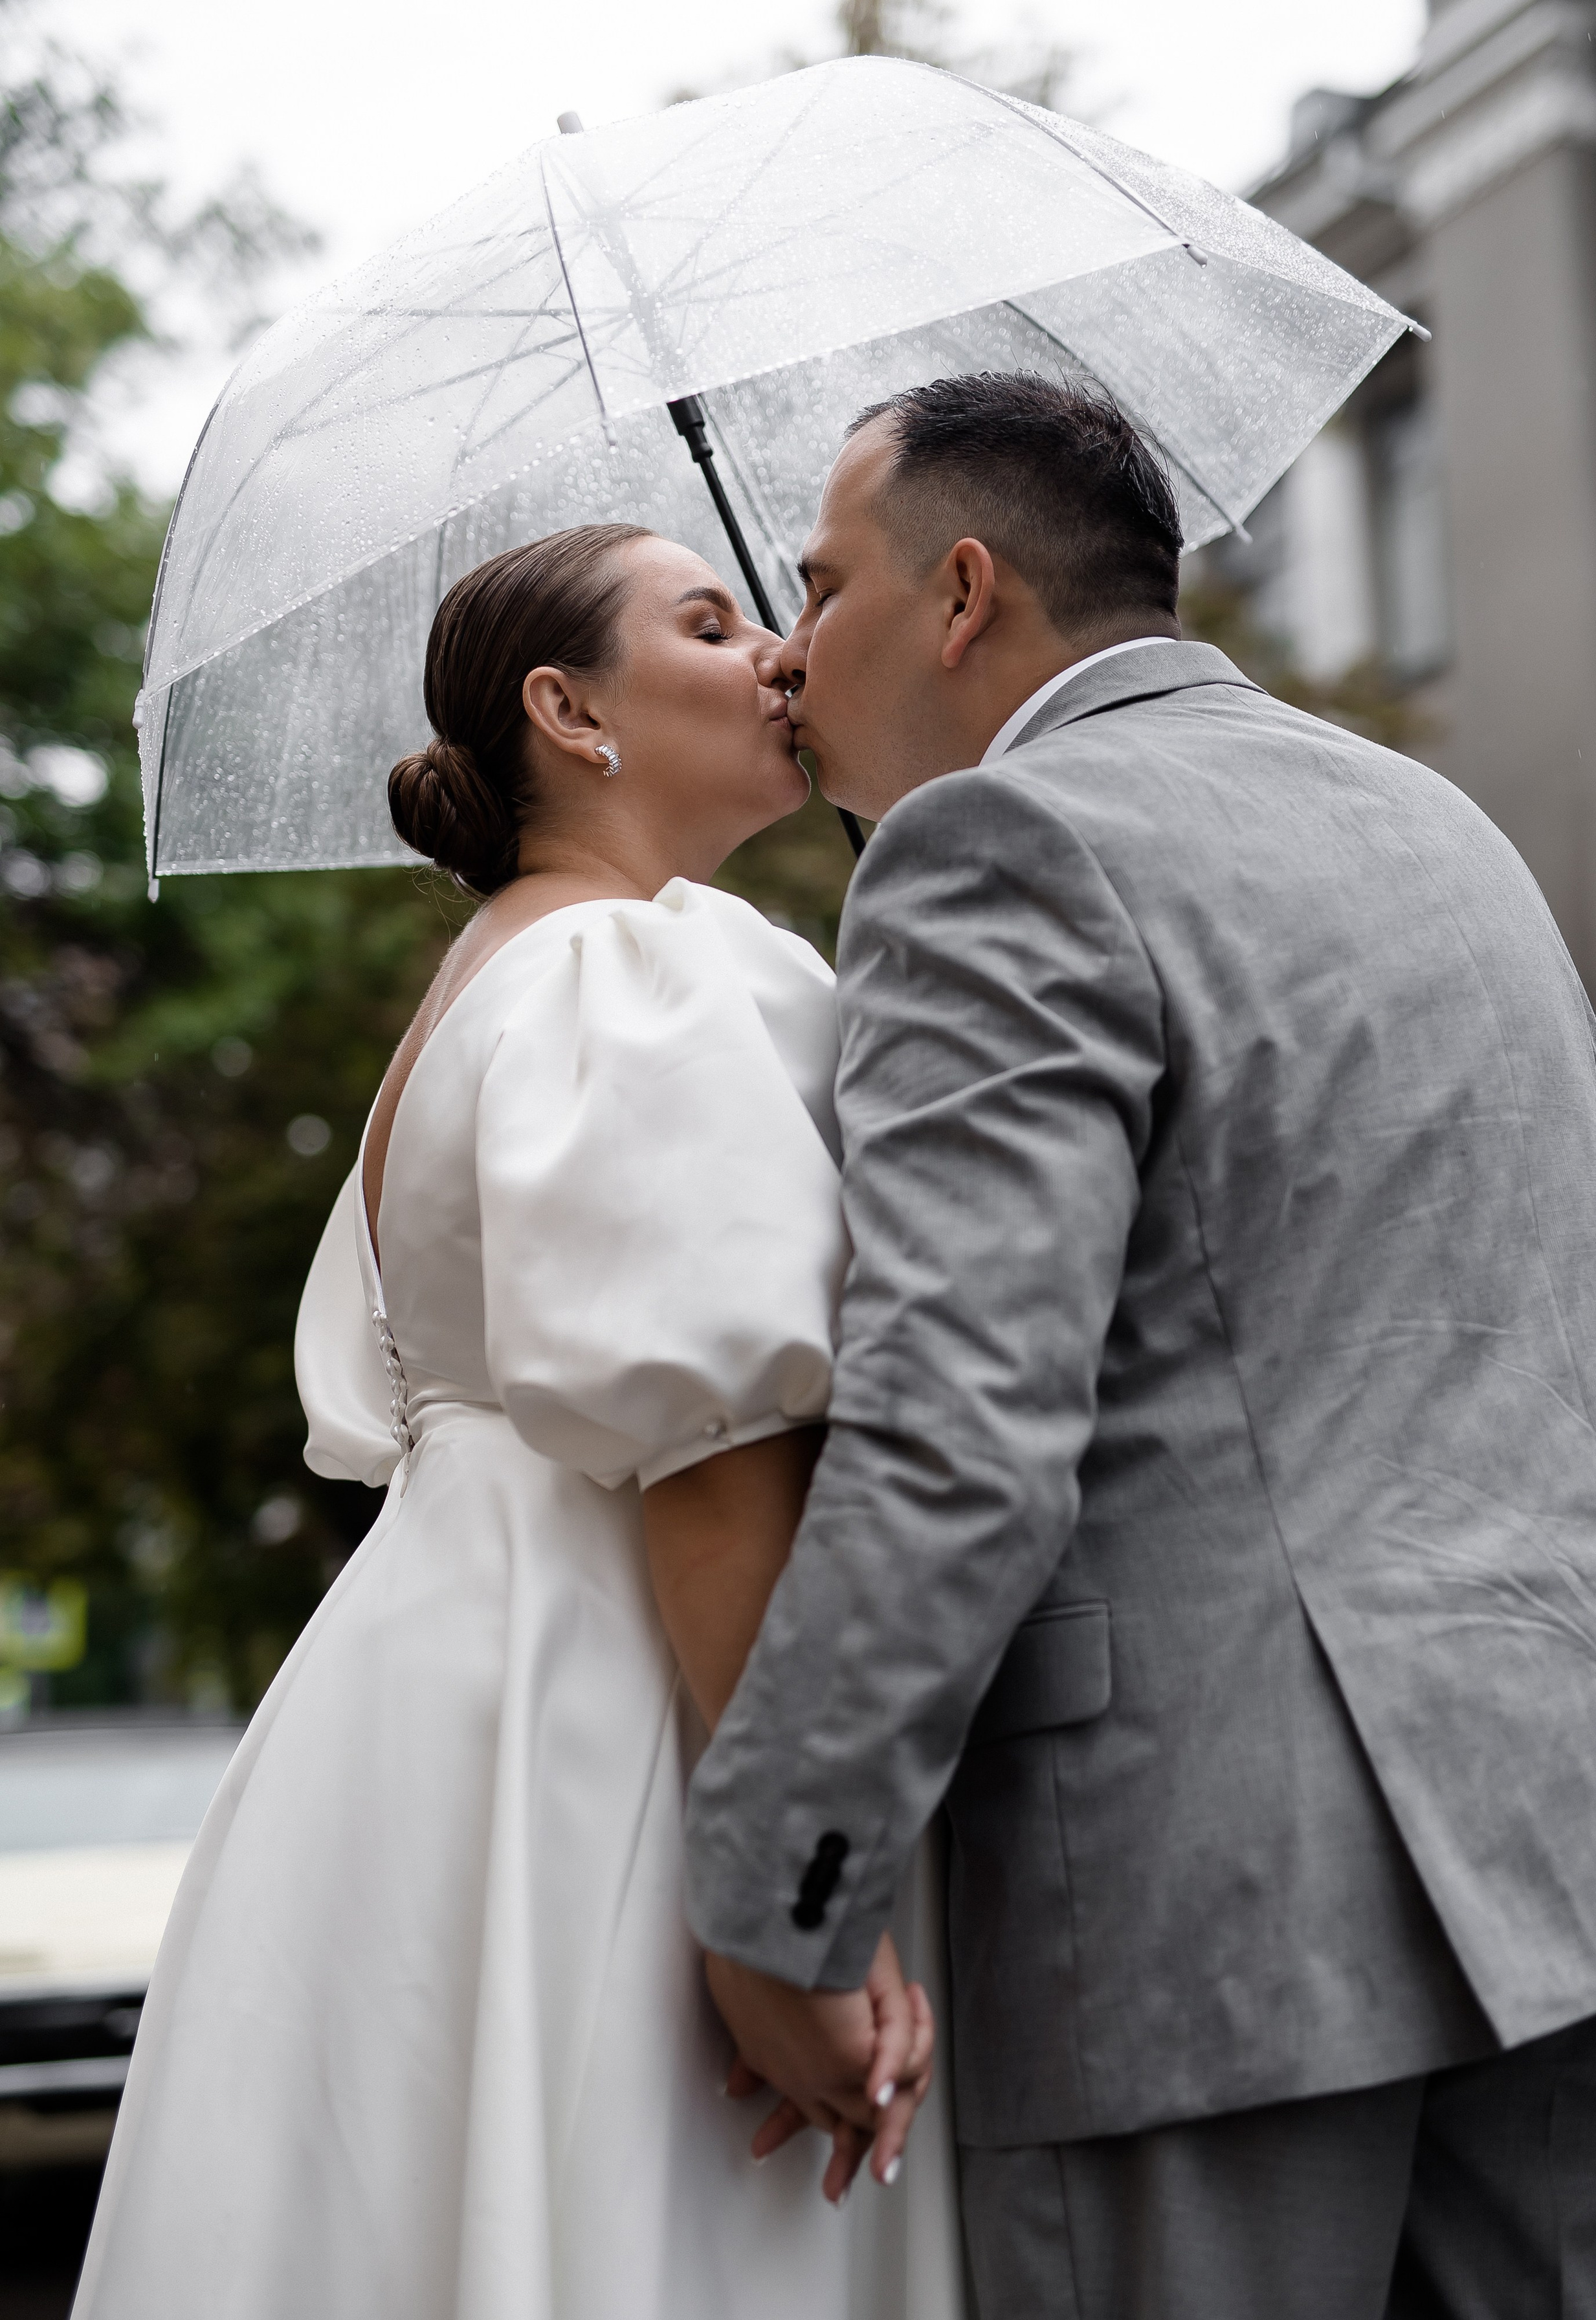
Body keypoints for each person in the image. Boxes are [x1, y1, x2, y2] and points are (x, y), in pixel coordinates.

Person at [685, 372, 1596, 2319]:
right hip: (1590, 1849)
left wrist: (786, 1889)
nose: (789, 651)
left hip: (1207, 1908)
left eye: (817, 587)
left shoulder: (992, 853)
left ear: (961, 596)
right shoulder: (1442, 826)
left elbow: (958, 1428)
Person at [70, 526, 964, 2320]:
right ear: (571, 711)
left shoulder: (502, 975)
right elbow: (713, 1454)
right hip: (616, 1695)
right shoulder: (625, 976)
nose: (781, 659)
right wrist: (793, 1896)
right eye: (710, 626)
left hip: (443, 1694)